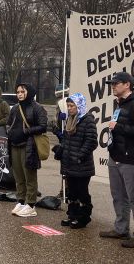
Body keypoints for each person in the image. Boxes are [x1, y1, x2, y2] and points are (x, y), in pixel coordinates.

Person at [99, 72, 134, 248]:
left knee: (132, 196)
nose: (113, 86)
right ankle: (121, 229)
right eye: (111, 84)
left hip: (130, 158)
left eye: (116, 83)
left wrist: (118, 127)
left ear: (127, 84)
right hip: (116, 155)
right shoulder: (119, 104)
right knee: (118, 195)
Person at [53, 93, 97, 229]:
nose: (69, 108)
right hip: (69, 163)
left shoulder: (88, 120)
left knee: (81, 191)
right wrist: (61, 149)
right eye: (68, 105)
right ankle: (72, 215)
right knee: (71, 191)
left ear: (79, 106)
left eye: (72, 106)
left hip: (81, 164)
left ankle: (83, 217)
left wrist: (79, 155)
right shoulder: (70, 120)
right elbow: (66, 140)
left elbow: (91, 142)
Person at [7, 83, 47, 217]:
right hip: (14, 145)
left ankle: (31, 204)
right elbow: (9, 123)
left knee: (29, 175)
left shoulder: (37, 107)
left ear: (28, 92)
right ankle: (21, 201)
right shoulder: (15, 108)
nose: (19, 94)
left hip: (29, 145)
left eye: (22, 91)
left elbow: (43, 126)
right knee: (18, 175)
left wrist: (26, 131)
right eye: (17, 91)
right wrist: (11, 133)